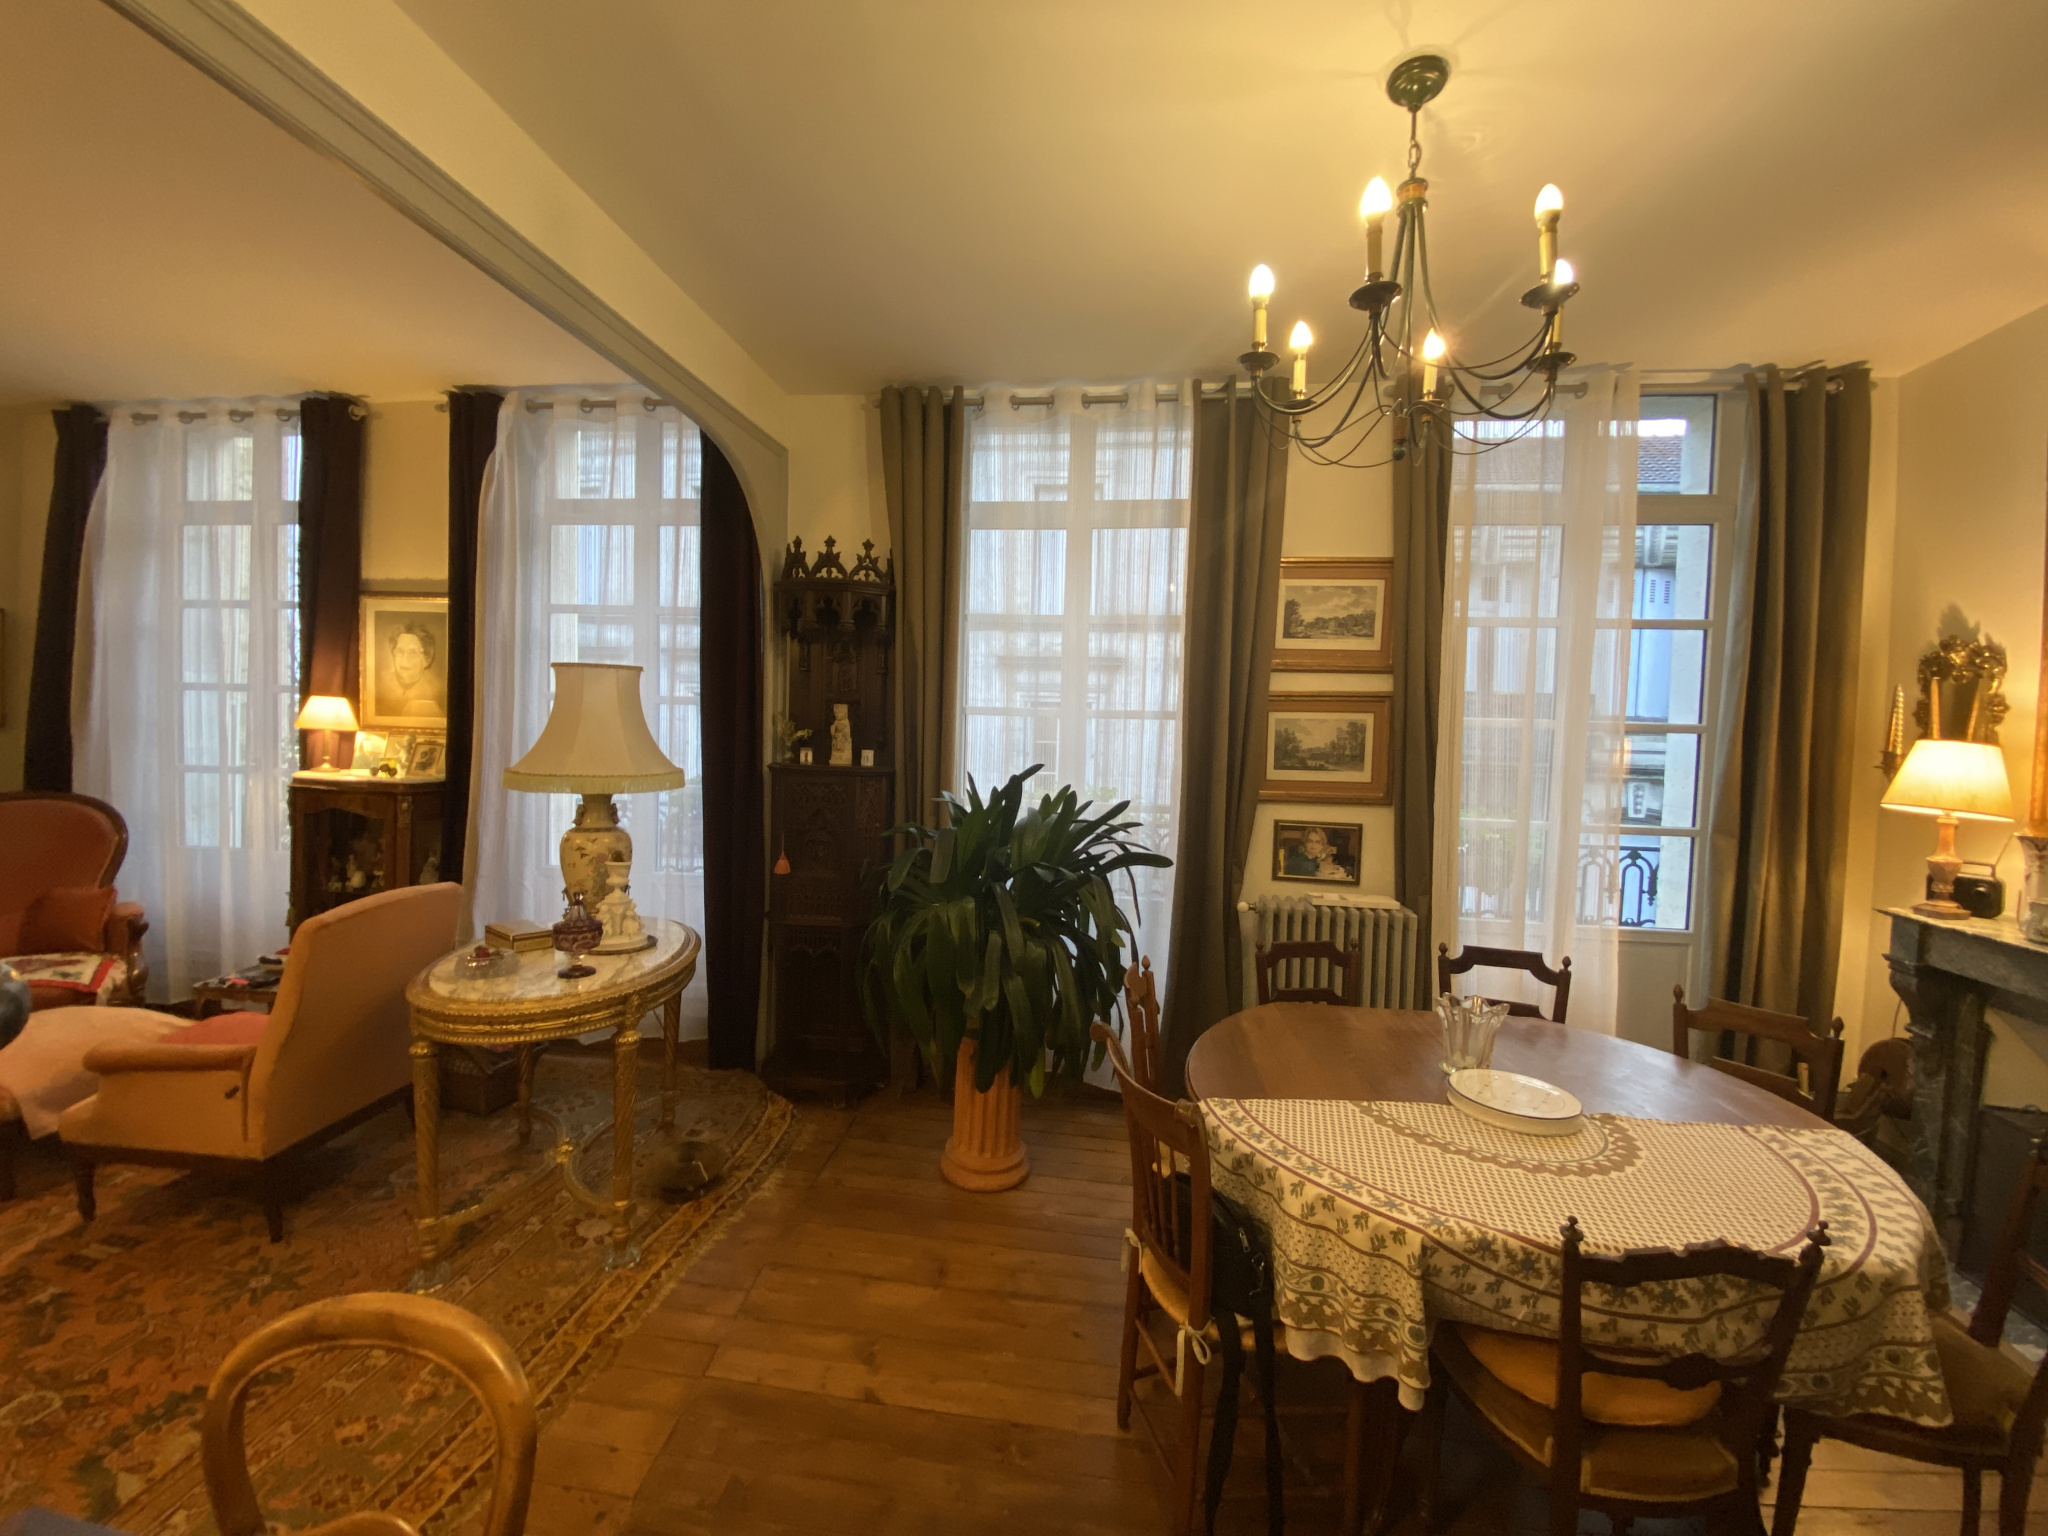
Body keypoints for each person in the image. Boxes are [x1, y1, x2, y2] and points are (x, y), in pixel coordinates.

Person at [375, 618, 447, 719]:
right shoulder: (379, 684)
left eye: (413, 653)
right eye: (400, 652)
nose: (405, 660)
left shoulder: (437, 692)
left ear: (426, 659)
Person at [1283, 825, 1349, 880]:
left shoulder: (1318, 860)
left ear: (1322, 845)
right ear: (1305, 843)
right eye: (1310, 841)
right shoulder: (1297, 860)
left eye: (1317, 842)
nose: (1313, 845)